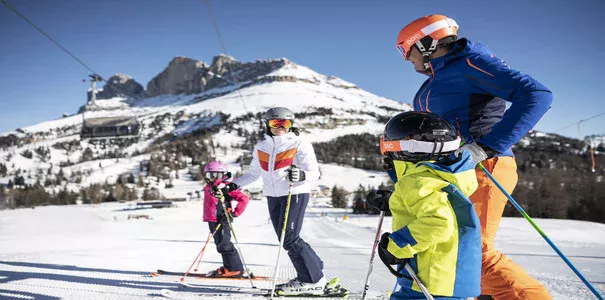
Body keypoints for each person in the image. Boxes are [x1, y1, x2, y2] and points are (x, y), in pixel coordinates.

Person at [395, 14, 554, 299]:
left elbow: (537, 94)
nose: (406, 58)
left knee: (473, 253)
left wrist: (487, 146)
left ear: (427, 42)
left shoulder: (470, 63)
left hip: (484, 165)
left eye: (407, 49)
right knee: (456, 249)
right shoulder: (441, 75)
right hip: (458, 169)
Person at [368, 111, 481, 300]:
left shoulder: (416, 181)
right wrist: (395, 201)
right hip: (450, 276)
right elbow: (436, 205)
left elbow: (438, 222)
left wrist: (397, 245)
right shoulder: (441, 176)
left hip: (428, 279)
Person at [227, 107, 326, 296]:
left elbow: (315, 173)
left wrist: (301, 174)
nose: (280, 127)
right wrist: (233, 186)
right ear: (267, 124)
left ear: (291, 125)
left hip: (294, 193)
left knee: (290, 238)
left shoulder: (300, 143)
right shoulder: (261, 146)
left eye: (285, 123)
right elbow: (253, 174)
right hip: (273, 196)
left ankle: (311, 280)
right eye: (275, 123)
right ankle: (315, 268)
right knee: (285, 238)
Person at [202, 161, 249, 278]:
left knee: (225, 244)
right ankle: (229, 266)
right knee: (220, 244)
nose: (213, 178)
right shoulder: (209, 186)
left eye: (216, 175)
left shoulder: (226, 187)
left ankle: (235, 269)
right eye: (209, 175)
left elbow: (244, 198)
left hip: (222, 219)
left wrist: (235, 213)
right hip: (212, 219)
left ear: (223, 174)